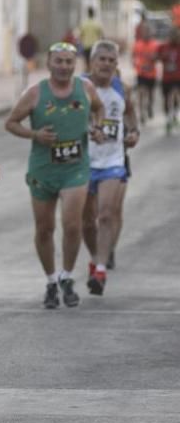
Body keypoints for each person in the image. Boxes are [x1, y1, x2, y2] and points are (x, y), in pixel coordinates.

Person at [5, 41, 104, 309]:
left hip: (75, 169)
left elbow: (98, 108)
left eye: (68, 62)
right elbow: (11, 123)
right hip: (43, 170)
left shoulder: (86, 88)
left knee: (73, 226)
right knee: (45, 228)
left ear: (75, 65)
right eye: (58, 61)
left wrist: (96, 128)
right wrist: (34, 134)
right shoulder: (35, 93)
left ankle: (67, 277)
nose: (63, 66)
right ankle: (50, 280)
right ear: (48, 64)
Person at [82, 41, 139, 295]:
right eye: (101, 59)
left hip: (113, 162)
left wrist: (134, 133)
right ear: (92, 62)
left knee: (106, 215)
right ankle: (95, 258)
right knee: (86, 222)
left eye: (111, 60)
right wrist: (87, 130)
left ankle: (101, 269)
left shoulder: (122, 89)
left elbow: (131, 119)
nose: (106, 64)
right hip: (82, 163)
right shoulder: (79, 87)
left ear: (117, 64)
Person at [132, 24, 159, 124]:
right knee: (141, 93)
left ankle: (150, 106)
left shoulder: (155, 45)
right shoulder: (137, 44)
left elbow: (158, 57)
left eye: (148, 32)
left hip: (152, 74)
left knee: (151, 94)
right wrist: (134, 64)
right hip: (141, 73)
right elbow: (133, 55)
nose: (146, 34)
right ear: (142, 33)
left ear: (151, 33)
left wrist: (154, 58)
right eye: (145, 32)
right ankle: (142, 114)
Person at [156, 27, 180, 133]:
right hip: (166, 78)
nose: (174, 37)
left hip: (178, 77)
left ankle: (174, 114)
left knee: (174, 95)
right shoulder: (163, 46)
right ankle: (168, 119)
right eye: (172, 35)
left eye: (176, 35)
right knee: (166, 99)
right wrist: (161, 57)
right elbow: (156, 56)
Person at [78, 7, 103, 72]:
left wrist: (80, 43)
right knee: (93, 61)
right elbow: (101, 35)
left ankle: (86, 75)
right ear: (93, 14)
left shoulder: (84, 23)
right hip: (94, 46)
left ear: (87, 14)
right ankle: (92, 74)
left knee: (86, 62)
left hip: (86, 45)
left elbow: (81, 35)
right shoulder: (97, 24)